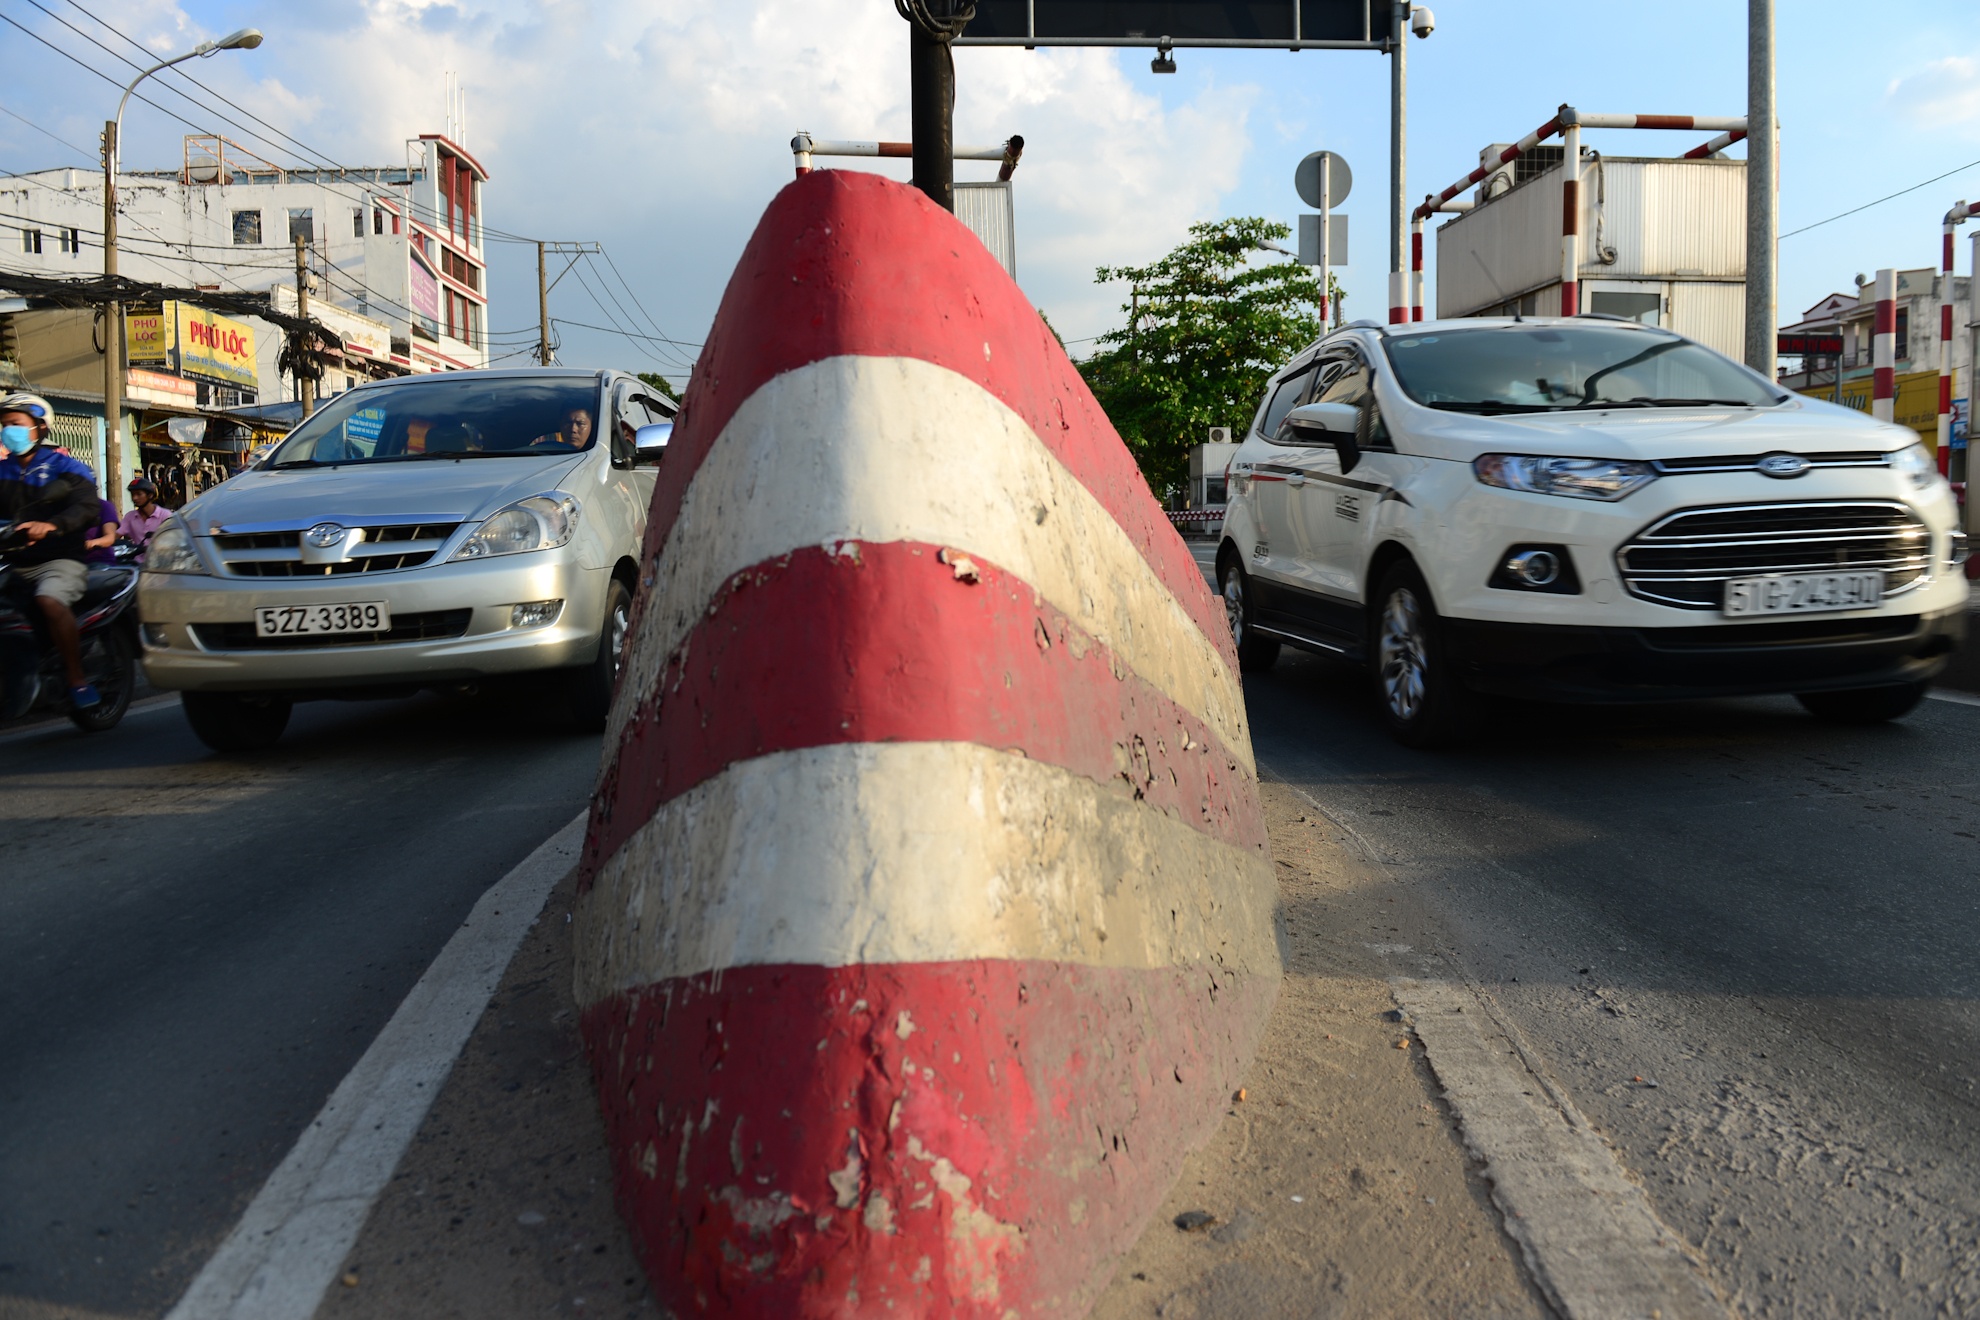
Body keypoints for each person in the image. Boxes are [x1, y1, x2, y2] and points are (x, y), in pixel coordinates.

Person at [0, 392, 105, 708]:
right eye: (4, 426)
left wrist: (52, 525)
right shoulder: (2, 471)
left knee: (48, 599)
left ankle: (77, 679)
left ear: (40, 428)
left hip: (58, 559)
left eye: (16, 424)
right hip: (12, 559)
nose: (8, 431)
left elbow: (88, 507)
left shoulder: (66, 467)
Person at [120, 476, 170, 550]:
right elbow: (116, 534)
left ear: (150, 495)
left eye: (139, 494)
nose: (134, 498)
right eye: (132, 494)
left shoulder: (165, 515)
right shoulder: (130, 517)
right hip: (137, 560)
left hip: (161, 560)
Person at [84, 492, 120, 566]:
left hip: (97, 561)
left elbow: (109, 538)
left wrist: (90, 544)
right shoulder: (67, 508)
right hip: (70, 561)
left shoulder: (105, 506)